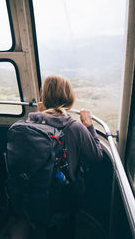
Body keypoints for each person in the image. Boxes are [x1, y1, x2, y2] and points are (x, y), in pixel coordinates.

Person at [7, 75, 103, 239]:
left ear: (44, 97)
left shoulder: (30, 122)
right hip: (62, 198)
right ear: (69, 97)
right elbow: (97, 155)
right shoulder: (75, 127)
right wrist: (89, 125)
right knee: (64, 228)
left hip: (30, 191)